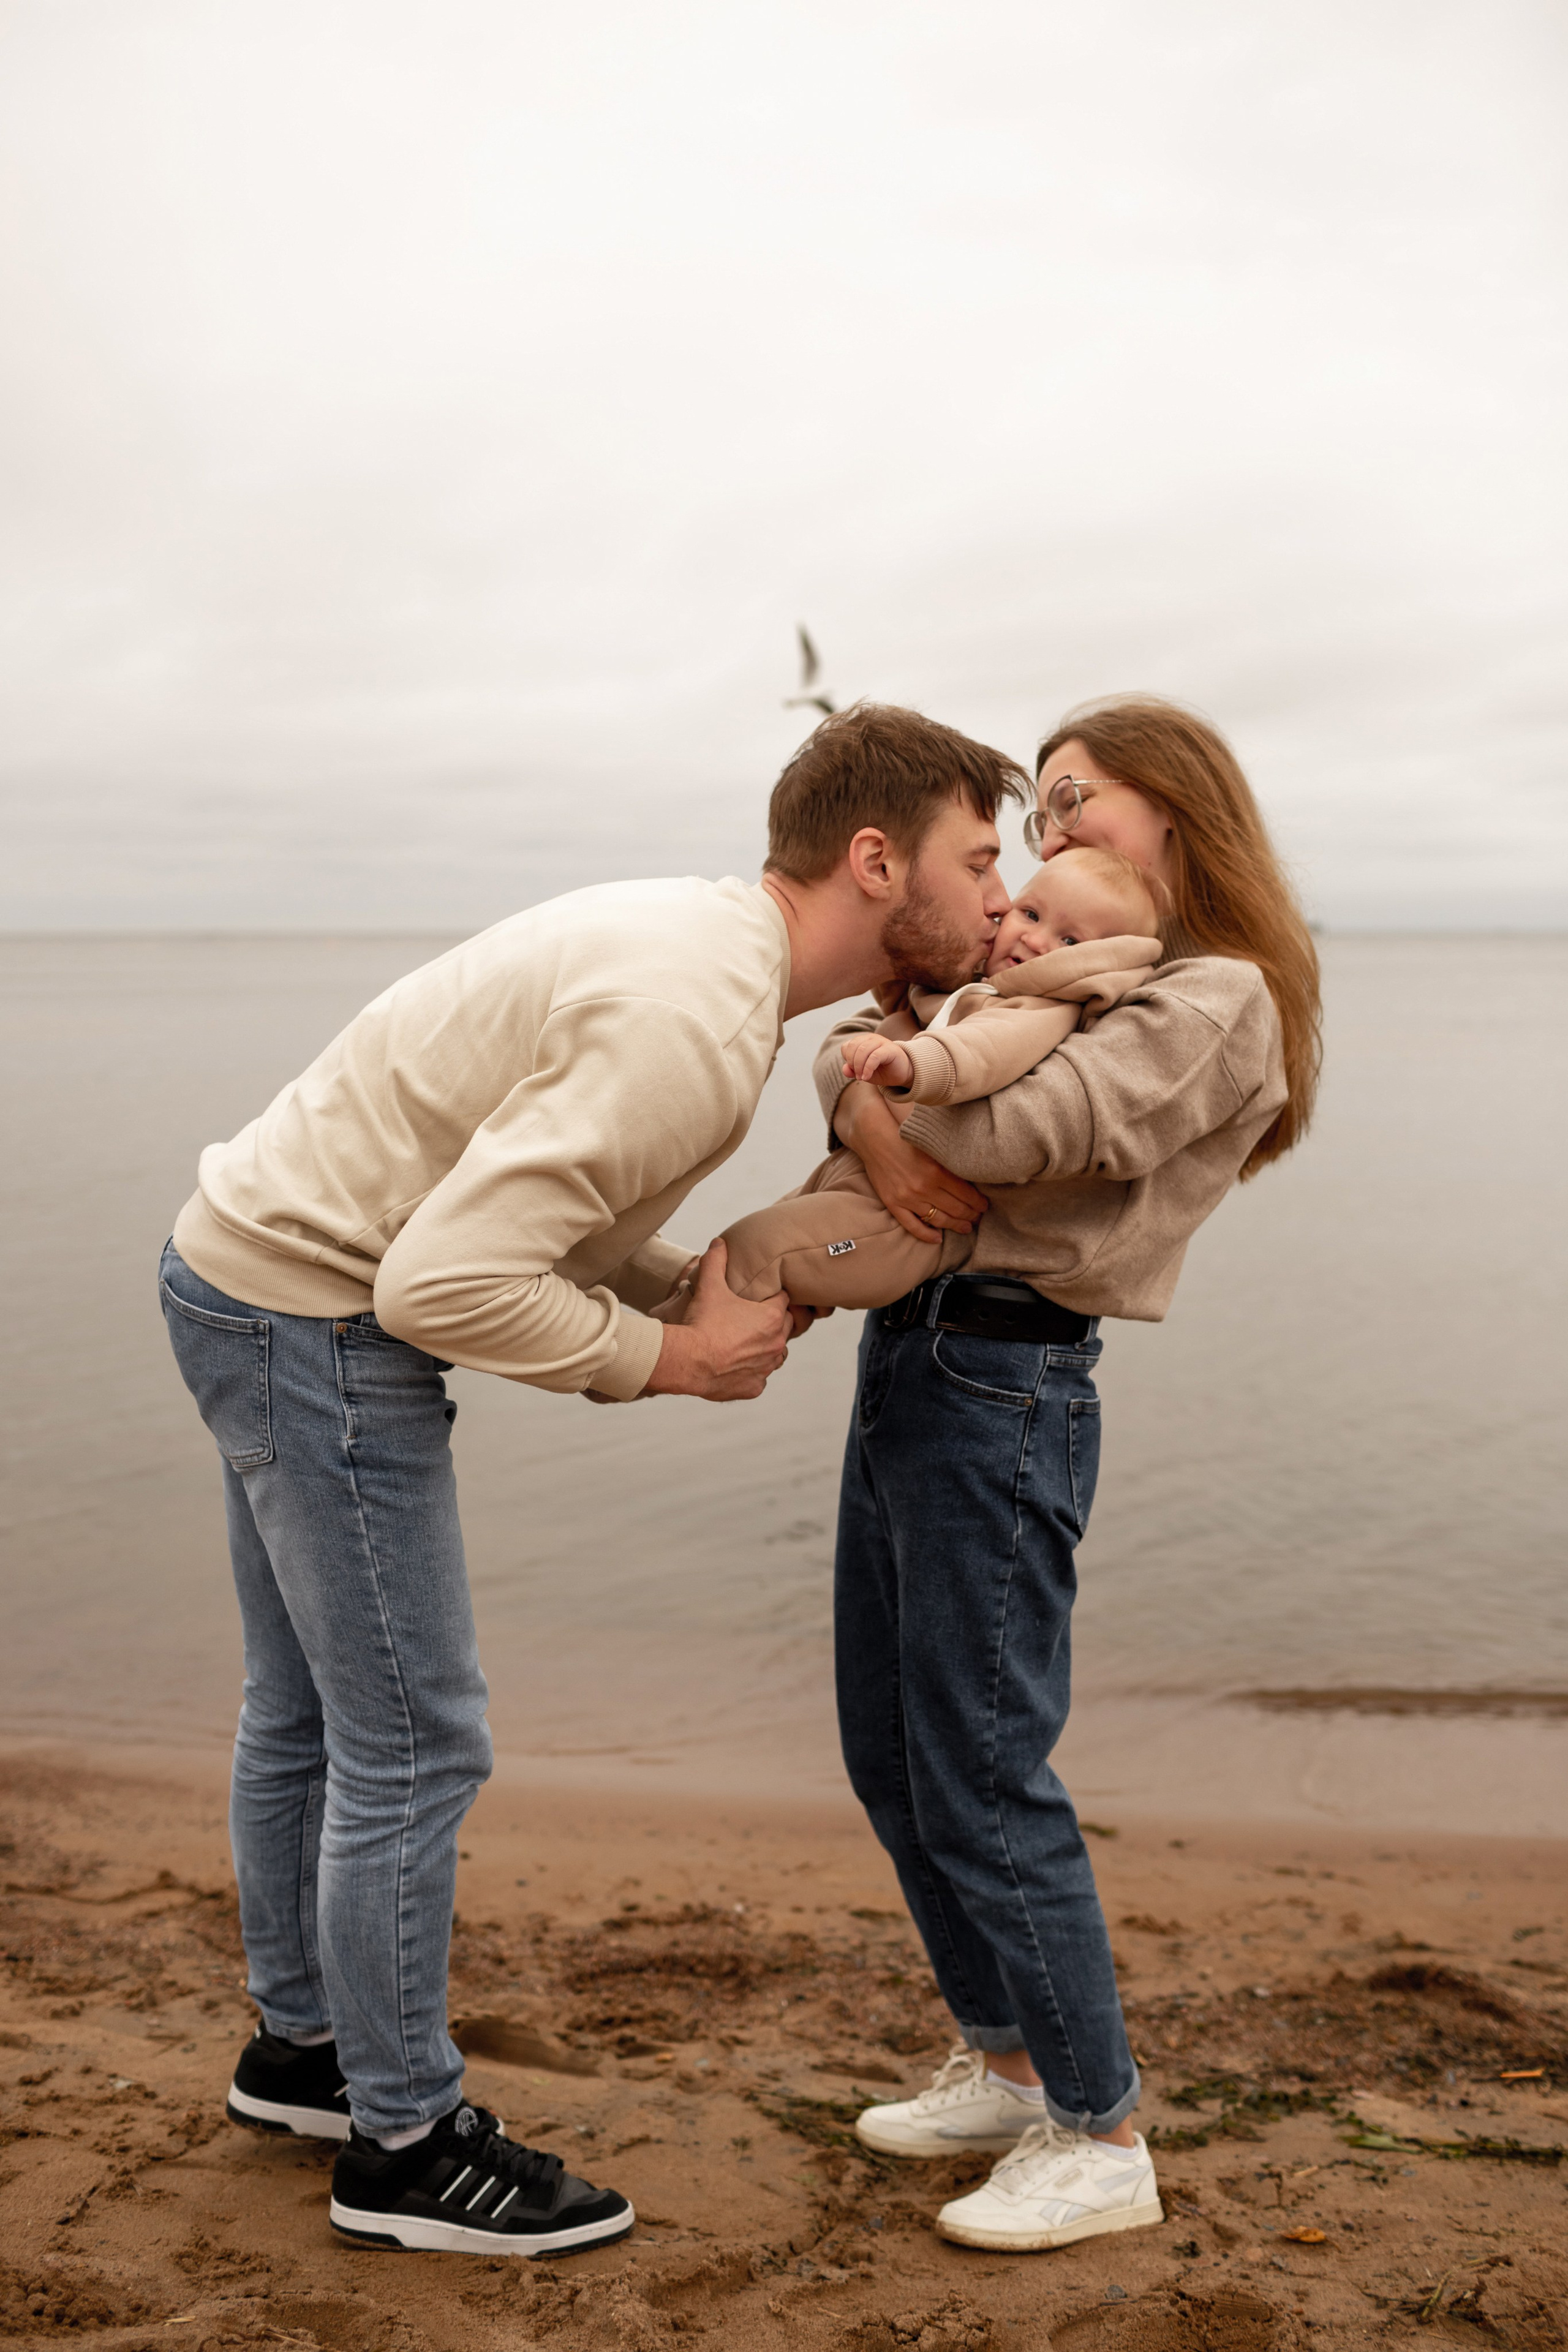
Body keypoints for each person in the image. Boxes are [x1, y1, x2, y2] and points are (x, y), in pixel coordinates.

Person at [157, 703, 1025, 2258]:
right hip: (313, 1315)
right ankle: (405, 2143)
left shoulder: (701, 957)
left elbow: (540, 1183)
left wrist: (679, 1278)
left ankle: (304, 2053)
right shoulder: (692, 1025)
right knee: (416, 1743)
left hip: (234, 1267)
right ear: (874, 858)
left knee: (305, 1713)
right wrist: (668, 1362)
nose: (994, 897)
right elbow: (444, 1282)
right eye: (977, 858)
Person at [815, 695, 1322, 2254]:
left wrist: (879, 1085)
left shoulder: (1209, 991)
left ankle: (1097, 2130)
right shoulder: (1046, 961)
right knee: (892, 1754)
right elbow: (874, 1069)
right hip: (910, 1351)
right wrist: (870, 1077)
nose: (1047, 831)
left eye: (1076, 798)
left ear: (1175, 811)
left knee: (981, 1765)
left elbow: (1040, 1125)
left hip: (1007, 1376)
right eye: (1034, 812)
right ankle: (1011, 2052)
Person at [709, 846, 1162, 1312]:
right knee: (733, 1275)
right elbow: (864, 1026)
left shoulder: (1039, 1009)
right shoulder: (986, 986)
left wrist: (909, 1065)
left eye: (1070, 942)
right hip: (859, 1179)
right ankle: (702, 1335)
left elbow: (984, 1049)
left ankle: (666, 1351)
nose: (1036, 940)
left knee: (756, 1252)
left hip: (905, 1226)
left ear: (1099, 961)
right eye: (1029, 913)